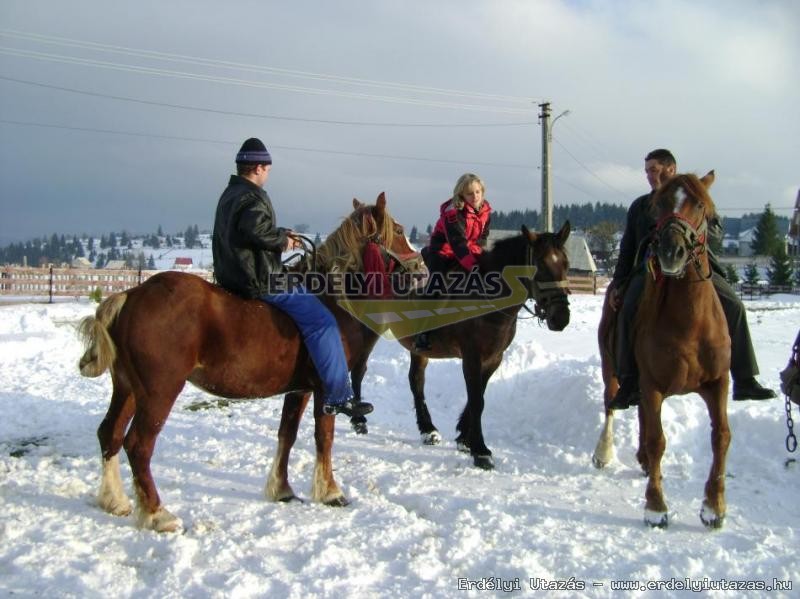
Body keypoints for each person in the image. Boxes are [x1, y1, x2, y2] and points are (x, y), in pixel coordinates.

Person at [212, 137, 373, 418]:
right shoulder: (253, 195)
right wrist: (282, 242)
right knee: (322, 320)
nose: (268, 174)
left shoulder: (231, 193)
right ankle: (339, 395)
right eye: (268, 169)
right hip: (260, 279)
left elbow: (247, 229)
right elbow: (255, 230)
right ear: (259, 167)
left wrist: (281, 233)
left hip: (232, 275)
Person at [608, 148, 776, 409]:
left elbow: (717, 235)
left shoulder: (695, 197)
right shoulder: (641, 206)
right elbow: (628, 247)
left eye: (654, 169)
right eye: (647, 171)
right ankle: (630, 381)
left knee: (734, 305)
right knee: (628, 308)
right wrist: (619, 282)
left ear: (671, 169)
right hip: (651, 268)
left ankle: (745, 379)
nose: (650, 176)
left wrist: (706, 220)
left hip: (695, 267)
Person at [413, 173, 492, 351]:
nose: (475, 196)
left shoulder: (486, 211)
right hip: (443, 251)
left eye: (478, 191)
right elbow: (457, 243)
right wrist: (473, 266)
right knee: (437, 283)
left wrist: (480, 258)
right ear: (461, 195)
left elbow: (482, 239)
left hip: (468, 250)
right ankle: (422, 330)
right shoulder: (453, 213)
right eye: (470, 193)